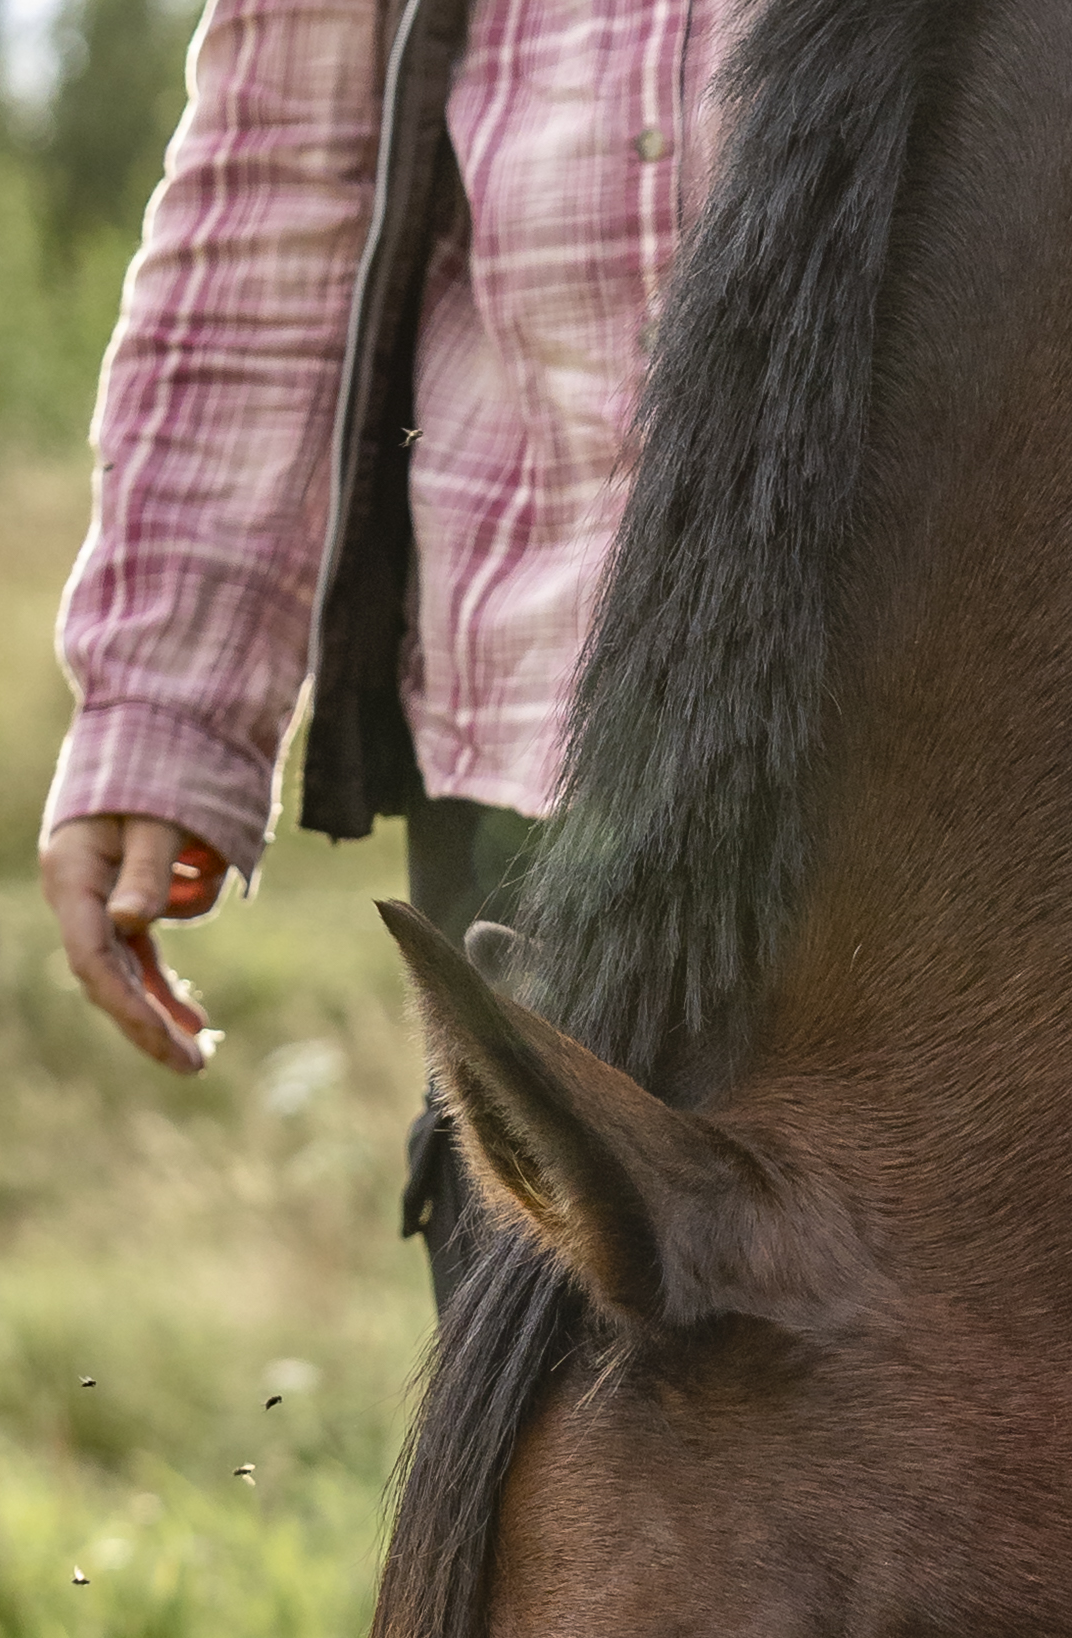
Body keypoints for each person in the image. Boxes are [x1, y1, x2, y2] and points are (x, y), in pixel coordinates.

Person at [37, 0, 732, 1311]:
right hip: (535, 732)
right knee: (554, 1423)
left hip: (979, 730)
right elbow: (288, 173)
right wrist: (166, 705)